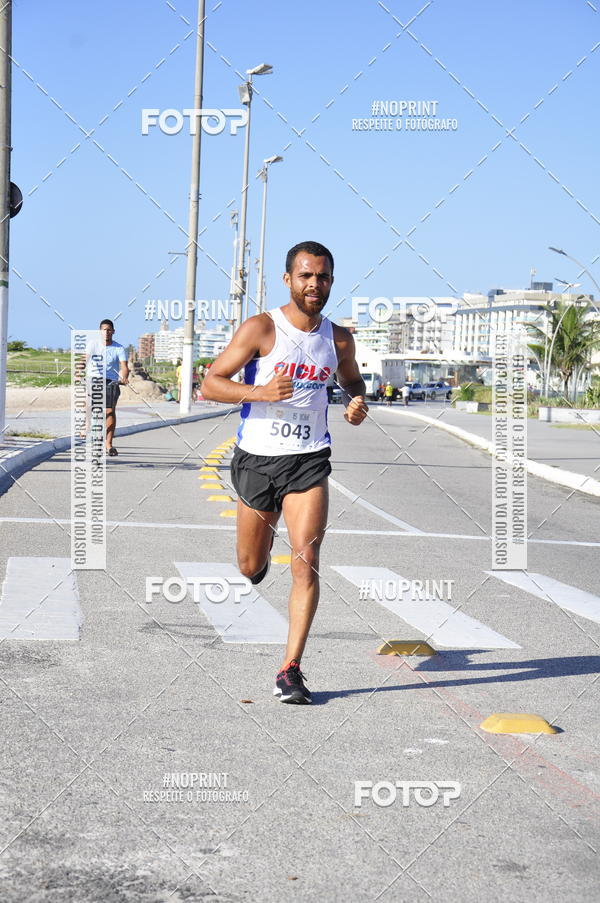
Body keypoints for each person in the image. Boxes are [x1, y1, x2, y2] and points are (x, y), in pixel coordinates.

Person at [202, 240, 368, 704]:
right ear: (288, 279)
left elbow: (351, 379)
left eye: (324, 277)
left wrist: (356, 401)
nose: (316, 285)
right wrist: (259, 392)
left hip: (309, 460)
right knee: (250, 565)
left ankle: (290, 669)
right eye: (307, 276)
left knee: (306, 561)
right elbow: (211, 384)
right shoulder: (261, 328)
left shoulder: (338, 338)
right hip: (257, 458)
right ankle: (254, 564)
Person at [87, 319, 129, 456]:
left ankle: (108, 444)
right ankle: (93, 436)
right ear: (100, 331)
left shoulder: (119, 348)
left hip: (111, 381)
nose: (107, 332)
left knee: (110, 411)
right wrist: (78, 372)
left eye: (109, 329)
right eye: (104, 329)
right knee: (95, 409)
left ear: (113, 331)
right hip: (94, 379)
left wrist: (124, 377)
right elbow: (84, 360)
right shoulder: (93, 345)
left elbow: (124, 366)